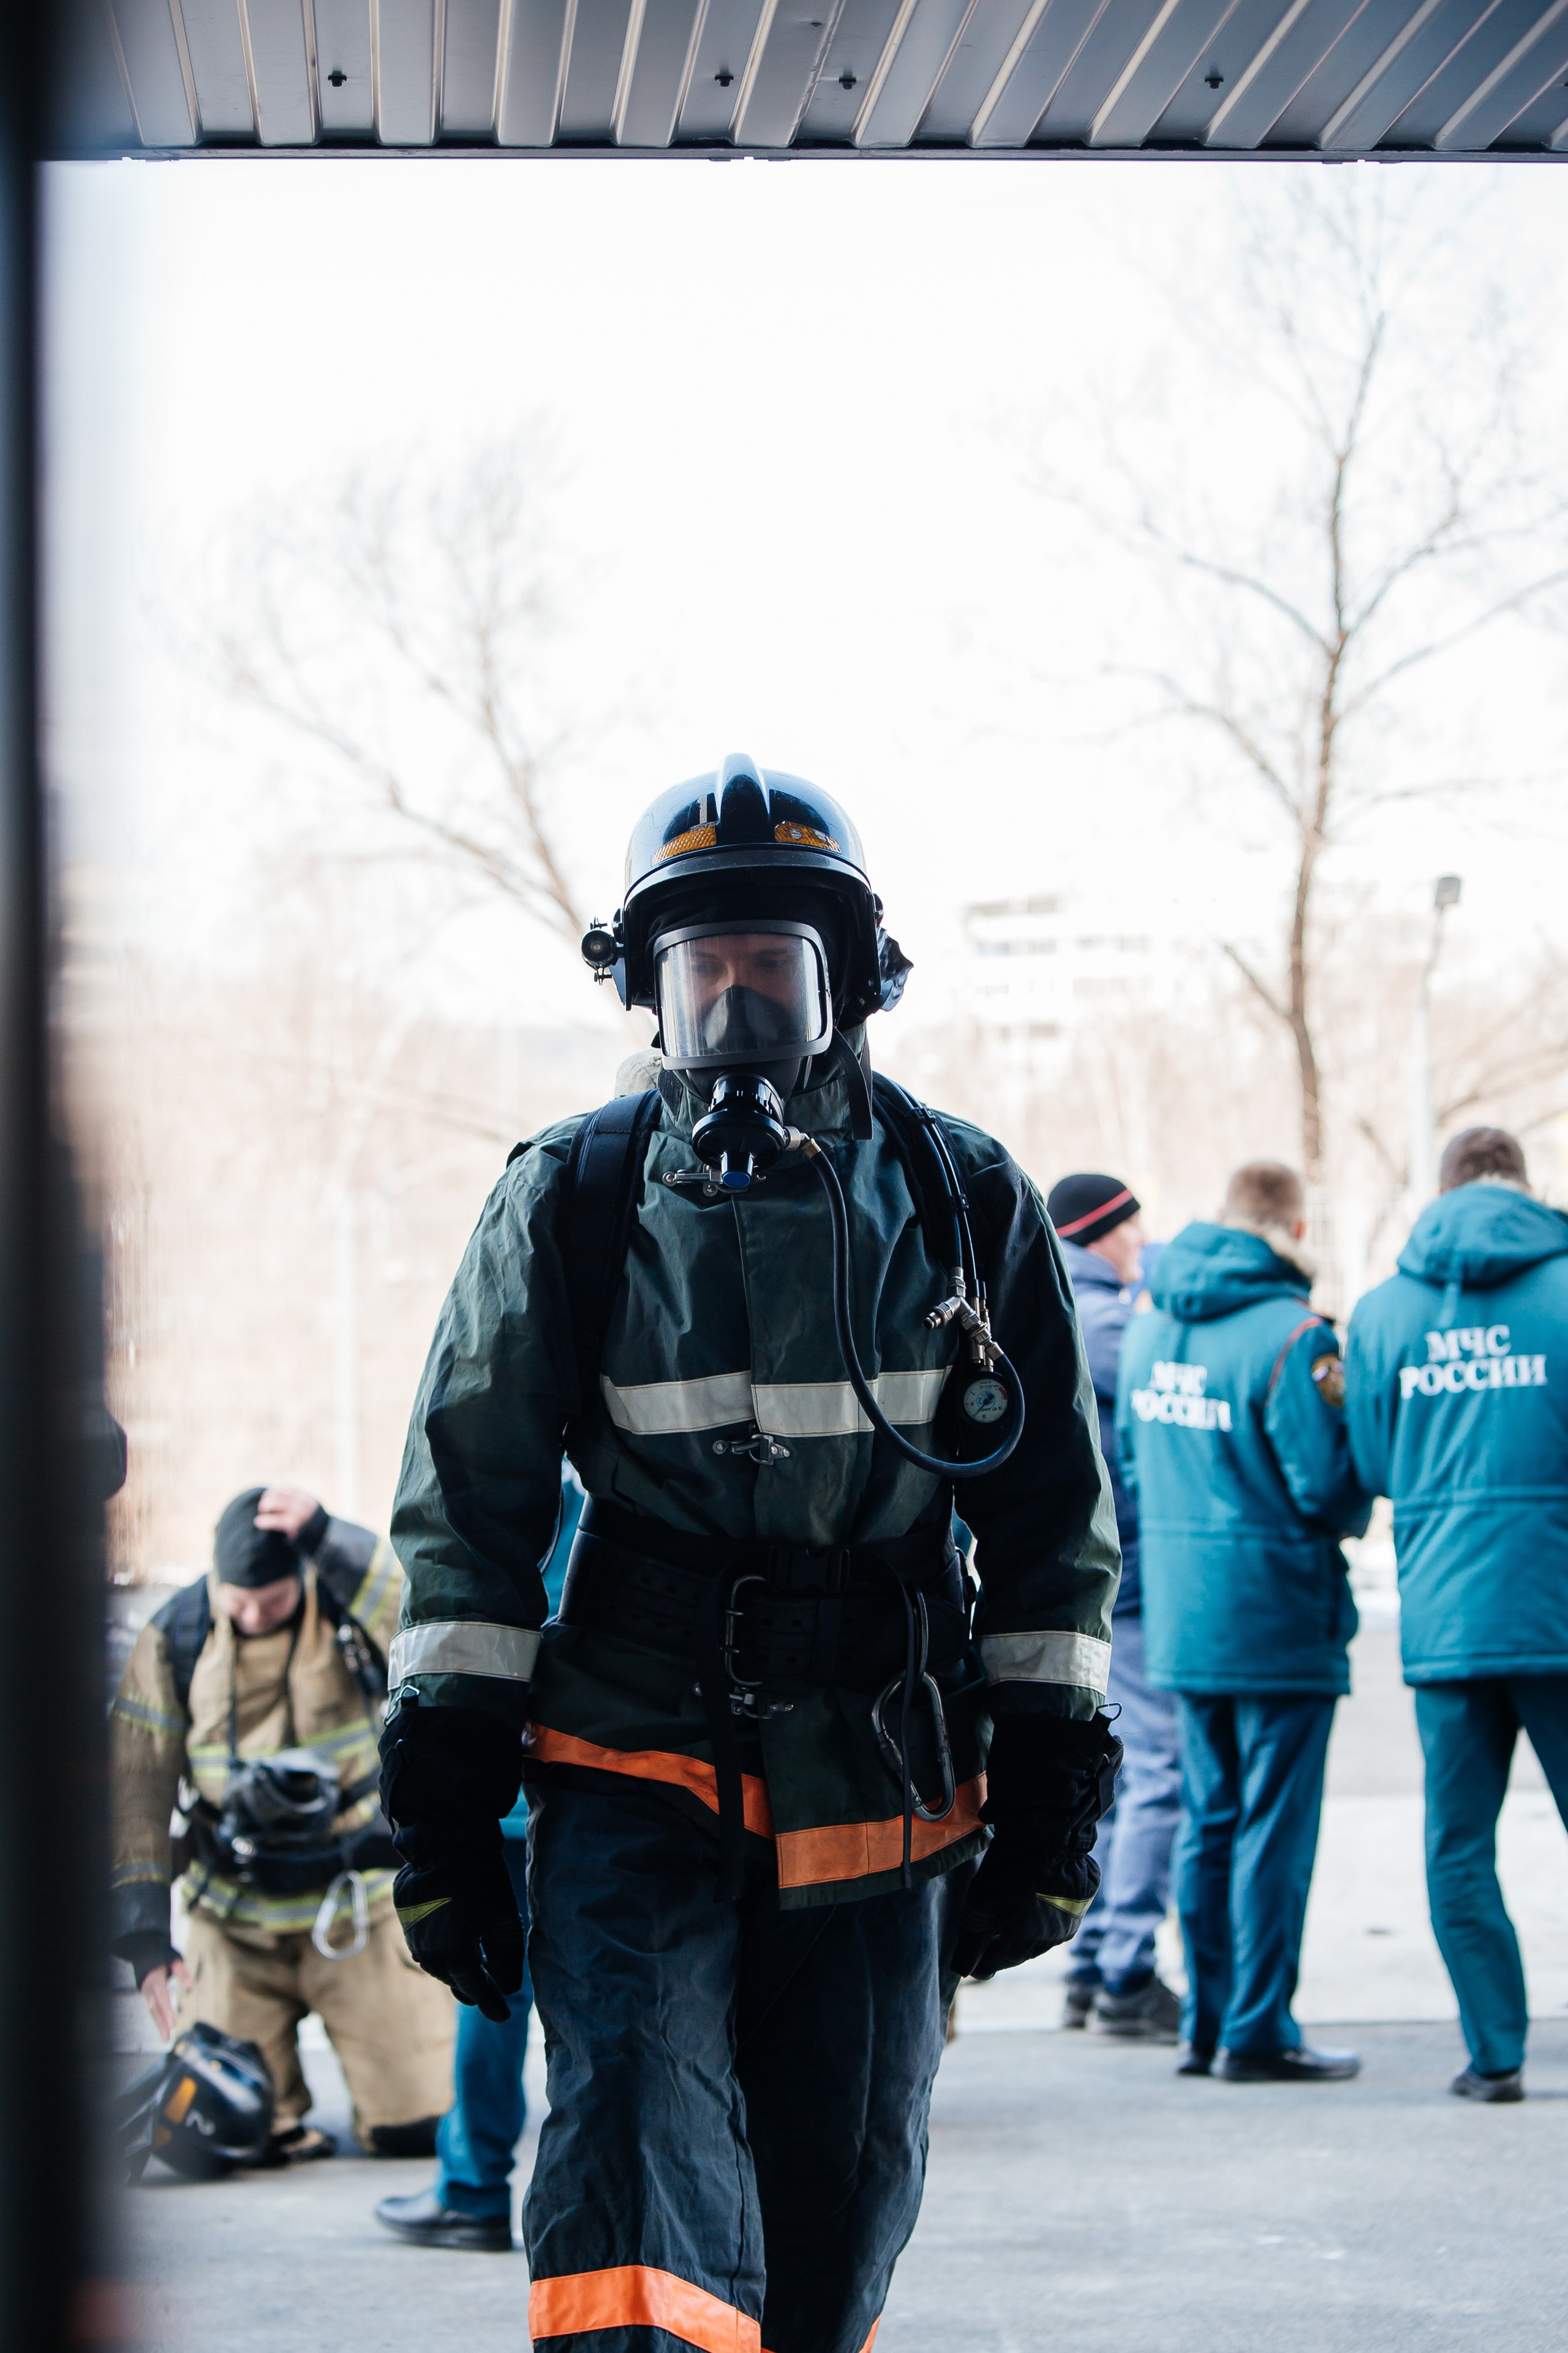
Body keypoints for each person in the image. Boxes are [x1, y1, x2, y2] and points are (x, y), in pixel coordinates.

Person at [378, 755, 1123, 2353]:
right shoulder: (569, 1200)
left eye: (768, 970)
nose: (732, 1007)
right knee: (636, 2163)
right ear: (644, 994)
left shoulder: (961, 1194)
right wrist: (441, 1788)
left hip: (883, 1771)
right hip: (628, 1754)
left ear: (846, 985)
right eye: (697, 971)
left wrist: (1058, 1764)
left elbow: (1054, 1510)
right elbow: (470, 1501)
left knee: (838, 2197)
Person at [1117, 1160, 1370, 2083]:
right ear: (1294, 1231)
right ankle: (1259, 2027)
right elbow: (1329, 1490)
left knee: (1208, 1818)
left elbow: (1133, 1475)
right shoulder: (1295, 1338)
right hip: (1278, 1613)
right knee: (1273, 1825)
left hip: (1185, 1615)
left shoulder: (1151, 1331)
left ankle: (1208, 2023)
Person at [110, 1486, 454, 2162]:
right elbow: (134, 1789)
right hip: (235, 1922)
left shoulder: (347, 1604)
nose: (255, 1614)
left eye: (273, 1600)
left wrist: (330, 1537)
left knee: (416, 2129)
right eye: (239, 1600)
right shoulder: (173, 1637)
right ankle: (276, 2107)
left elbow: (418, 1609)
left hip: (353, 1911)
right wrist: (145, 1939)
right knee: (218, 2132)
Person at [1344, 1126, 1568, 2104]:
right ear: (1521, 1186)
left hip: (1446, 1616)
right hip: (1560, 1609)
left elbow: (1375, 1468)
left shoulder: (1385, 1312)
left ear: (1441, 1192)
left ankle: (1497, 2055)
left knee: (1459, 1845)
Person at [375, 1467, 586, 2249]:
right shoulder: (620, 1487)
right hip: (597, 1801)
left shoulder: (530, 1496)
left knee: (494, 1995)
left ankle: (472, 2187)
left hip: (520, 1802)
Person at [1048, 1173, 1183, 2042]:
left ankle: (1095, 1958)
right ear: (1107, 1232)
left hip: (1093, 1575)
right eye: (1135, 1229)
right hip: (1127, 1579)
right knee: (1161, 1770)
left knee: (1122, 1776)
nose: (1143, 1242)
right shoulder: (1105, 1323)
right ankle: (1124, 1965)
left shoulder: (1056, 1299)